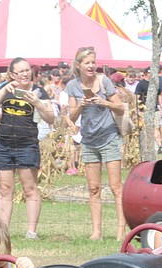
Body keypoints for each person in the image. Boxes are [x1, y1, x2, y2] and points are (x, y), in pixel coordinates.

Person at [0, 57, 55, 240]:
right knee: (5, 188)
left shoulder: (39, 91)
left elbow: (51, 118)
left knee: (30, 188)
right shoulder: (5, 89)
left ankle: (31, 232)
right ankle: (3, 232)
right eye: (20, 71)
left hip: (27, 144)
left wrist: (38, 103)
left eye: (27, 70)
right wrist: (3, 90)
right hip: (4, 143)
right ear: (12, 74)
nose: (25, 74)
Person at [66, 46, 126, 240]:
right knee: (93, 188)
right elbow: (72, 117)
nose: (91, 66)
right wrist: (81, 105)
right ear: (79, 65)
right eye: (87, 63)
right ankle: (96, 232)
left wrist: (104, 102)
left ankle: (120, 231)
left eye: (93, 62)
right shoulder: (73, 86)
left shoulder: (104, 81)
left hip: (109, 137)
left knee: (116, 187)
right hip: (89, 141)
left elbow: (120, 108)